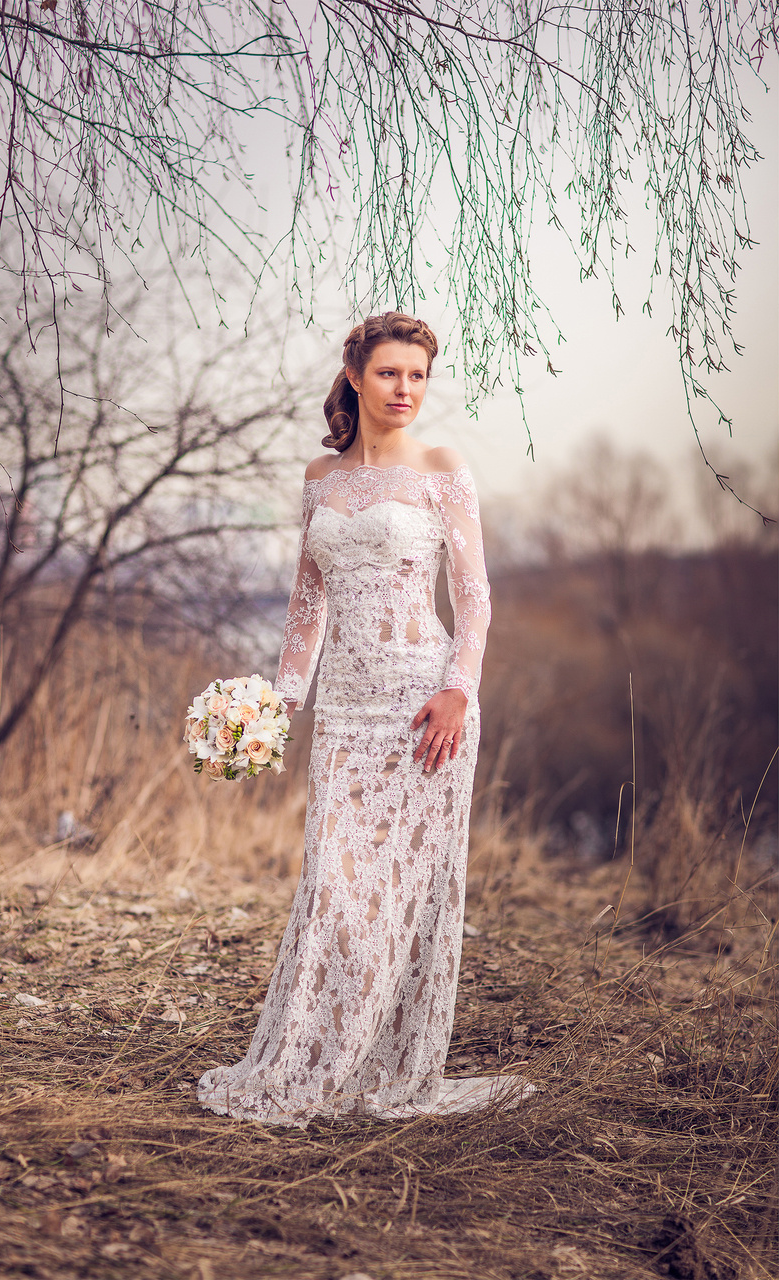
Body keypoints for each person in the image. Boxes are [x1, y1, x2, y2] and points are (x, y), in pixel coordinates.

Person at [197, 312, 530, 1125]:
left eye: (417, 375)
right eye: (390, 374)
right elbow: (306, 607)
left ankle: (382, 1065)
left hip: (426, 707)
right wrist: (274, 708)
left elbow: (476, 599)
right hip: (345, 711)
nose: (406, 390)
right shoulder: (320, 479)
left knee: (401, 896)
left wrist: (461, 687)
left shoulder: (443, 467)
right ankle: (316, 1063)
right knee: (337, 890)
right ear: (355, 375)